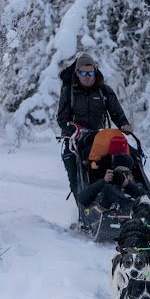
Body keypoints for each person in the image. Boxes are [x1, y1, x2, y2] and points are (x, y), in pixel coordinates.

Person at [57, 53, 133, 199]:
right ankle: (83, 208)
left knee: (126, 155)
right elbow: (62, 119)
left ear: (95, 72)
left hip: (98, 137)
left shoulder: (104, 91)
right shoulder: (69, 92)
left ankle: (125, 194)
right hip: (73, 139)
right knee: (74, 172)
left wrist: (124, 124)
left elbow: (116, 113)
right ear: (77, 73)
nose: (87, 76)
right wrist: (75, 130)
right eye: (84, 73)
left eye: (90, 72)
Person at [78, 152, 150, 213]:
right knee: (108, 188)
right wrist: (103, 181)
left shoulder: (134, 185)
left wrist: (128, 185)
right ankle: (133, 207)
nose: (122, 176)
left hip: (136, 212)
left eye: (126, 173)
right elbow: (82, 198)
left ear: (131, 174)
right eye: (119, 172)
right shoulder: (106, 184)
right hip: (104, 212)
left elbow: (144, 194)